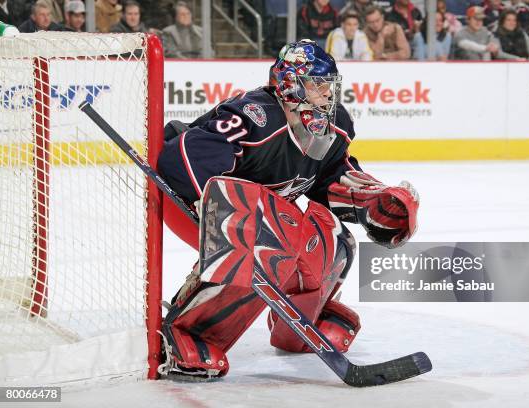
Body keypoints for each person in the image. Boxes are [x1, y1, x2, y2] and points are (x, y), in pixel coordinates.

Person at [156, 39, 419, 379]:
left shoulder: (334, 125)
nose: (327, 93)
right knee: (265, 244)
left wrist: (372, 201)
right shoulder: (256, 115)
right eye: (318, 84)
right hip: (186, 195)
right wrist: (217, 211)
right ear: (291, 83)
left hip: (258, 215)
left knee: (335, 242)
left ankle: (297, 324)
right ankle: (189, 332)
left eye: (330, 84)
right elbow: (184, 156)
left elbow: (331, 177)